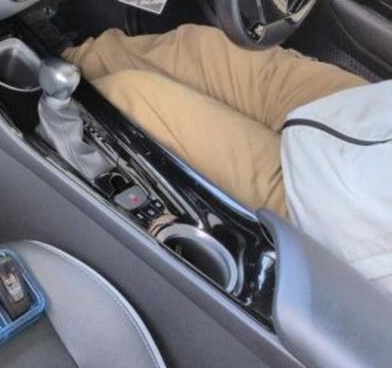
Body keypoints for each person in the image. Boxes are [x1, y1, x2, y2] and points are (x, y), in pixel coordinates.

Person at [64, 24, 391, 294]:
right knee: (200, 49)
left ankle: (47, 99)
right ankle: (63, 55)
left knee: (126, 98)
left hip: (338, 212)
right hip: (368, 115)